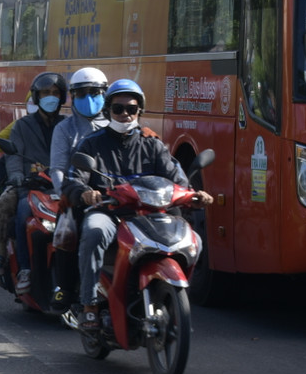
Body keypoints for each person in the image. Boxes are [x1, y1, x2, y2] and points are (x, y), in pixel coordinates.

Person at [62, 80, 212, 336]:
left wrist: (194, 195)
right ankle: (88, 304)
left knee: (193, 239)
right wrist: (86, 193)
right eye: (118, 108)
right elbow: (72, 181)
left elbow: (178, 180)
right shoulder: (91, 143)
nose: (125, 114)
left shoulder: (152, 144)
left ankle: (172, 296)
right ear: (108, 110)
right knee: (95, 231)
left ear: (139, 111)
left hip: (149, 216)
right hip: (110, 213)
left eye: (131, 109)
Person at [42, 66, 109, 307]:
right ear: (73, 97)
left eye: (95, 92)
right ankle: (66, 288)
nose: (89, 98)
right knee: (67, 231)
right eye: (82, 93)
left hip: (113, 194)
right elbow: (58, 168)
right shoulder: (65, 129)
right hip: (78, 193)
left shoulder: (116, 125)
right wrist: (66, 195)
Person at [0, 72, 67, 297]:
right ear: (37, 98)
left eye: (55, 93)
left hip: (62, 188)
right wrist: (17, 175)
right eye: (46, 93)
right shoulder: (22, 126)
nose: (51, 97)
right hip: (32, 187)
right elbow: (14, 156)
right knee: (20, 211)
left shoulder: (66, 126)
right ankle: (23, 267)